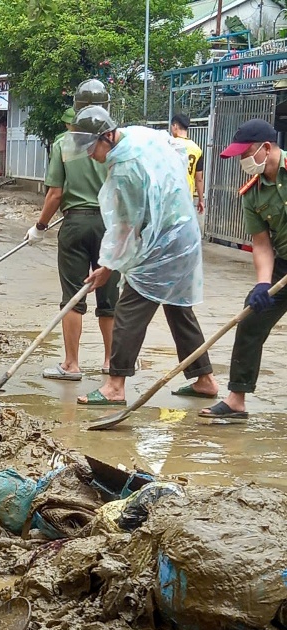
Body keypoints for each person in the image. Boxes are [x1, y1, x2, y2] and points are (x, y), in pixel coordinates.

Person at [70, 106, 218, 405]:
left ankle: (114, 385)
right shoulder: (138, 136)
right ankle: (204, 379)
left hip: (164, 242)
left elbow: (124, 226)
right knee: (179, 307)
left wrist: (108, 267)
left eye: (92, 147)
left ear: (107, 136)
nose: (90, 155)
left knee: (130, 308)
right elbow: (174, 148)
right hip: (182, 232)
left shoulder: (124, 166)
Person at [25, 80, 119, 379]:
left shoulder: (64, 143)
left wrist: (39, 227)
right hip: (110, 225)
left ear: (76, 109)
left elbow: (54, 194)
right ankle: (110, 361)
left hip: (75, 224)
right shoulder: (118, 141)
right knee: (109, 298)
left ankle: (71, 364)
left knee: (73, 296)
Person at [201, 119, 287, 421]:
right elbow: (262, 243)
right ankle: (237, 399)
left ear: (266, 147)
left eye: (245, 153)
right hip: (282, 266)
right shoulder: (252, 193)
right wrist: (263, 283)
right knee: (251, 320)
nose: (242, 161)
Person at [170, 113, 205, 214]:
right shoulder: (196, 149)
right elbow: (199, 179)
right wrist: (201, 200)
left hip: (169, 197)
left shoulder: (169, 144)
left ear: (175, 126)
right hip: (186, 198)